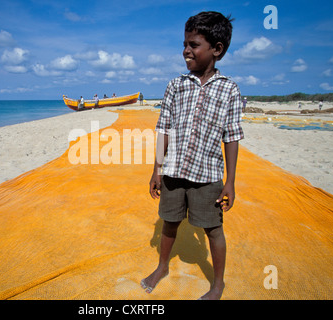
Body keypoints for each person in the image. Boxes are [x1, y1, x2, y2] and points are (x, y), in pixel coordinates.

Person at [140, 11, 244, 300]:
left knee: (213, 228)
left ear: (217, 49)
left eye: (194, 44)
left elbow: (231, 137)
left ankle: (218, 284)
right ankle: (162, 267)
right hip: (173, 171)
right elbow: (164, 130)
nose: (186, 50)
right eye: (184, 43)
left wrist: (230, 182)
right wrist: (156, 170)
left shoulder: (229, 90)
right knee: (169, 221)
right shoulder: (176, 85)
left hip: (208, 176)